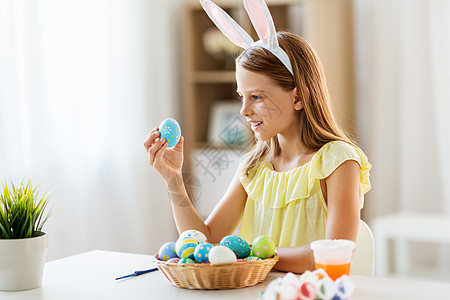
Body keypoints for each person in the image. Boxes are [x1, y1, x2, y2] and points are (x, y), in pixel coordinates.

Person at [144, 3, 371, 274]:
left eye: (257, 97)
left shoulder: (338, 162)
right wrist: (174, 179)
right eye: (242, 96)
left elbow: (333, 253)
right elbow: (204, 241)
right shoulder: (255, 168)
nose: (244, 110)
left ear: (298, 97)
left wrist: (249, 256)